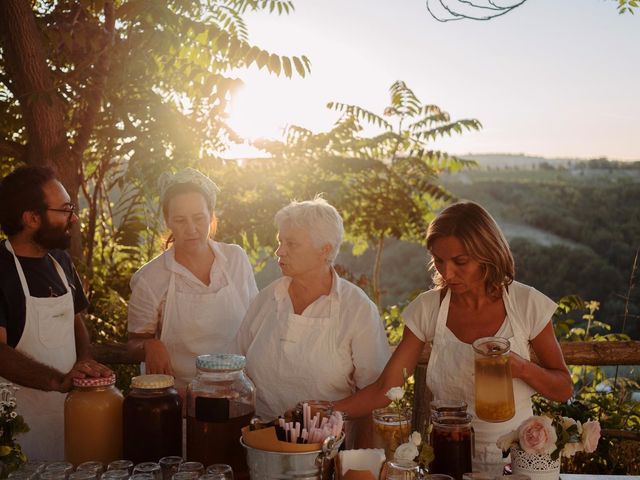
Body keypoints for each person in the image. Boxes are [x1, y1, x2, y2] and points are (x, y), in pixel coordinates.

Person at [334, 201, 572, 473]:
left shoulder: (526, 303)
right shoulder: (428, 308)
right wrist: (327, 412)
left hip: (516, 464)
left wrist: (522, 368)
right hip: (448, 460)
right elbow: (385, 389)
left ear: (488, 253)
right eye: (439, 261)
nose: (447, 273)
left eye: (460, 262)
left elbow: (563, 388)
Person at [235, 197, 391, 421]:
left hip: (329, 447)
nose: (280, 251)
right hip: (261, 441)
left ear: (324, 250)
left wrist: (327, 415)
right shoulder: (267, 299)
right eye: (280, 242)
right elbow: (237, 369)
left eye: (292, 244)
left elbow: (376, 391)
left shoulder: (357, 309)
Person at [0, 166, 112, 460]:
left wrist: (85, 359)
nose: (73, 218)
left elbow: (75, 324)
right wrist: (58, 381)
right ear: (32, 218)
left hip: (72, 421)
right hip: (19, 434)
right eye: (64, 210)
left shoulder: (61, 262)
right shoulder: (1, 269)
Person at [127, 168, 258, 391]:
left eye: (199, 218)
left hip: (239, 391)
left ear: (211, 215)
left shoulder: (235, 259)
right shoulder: (150, 278)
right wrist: (150, 344)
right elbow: (133, 342)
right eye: (180, 220)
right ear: (167, 220)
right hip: (181, 397)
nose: (191, 229)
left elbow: (257, 320)